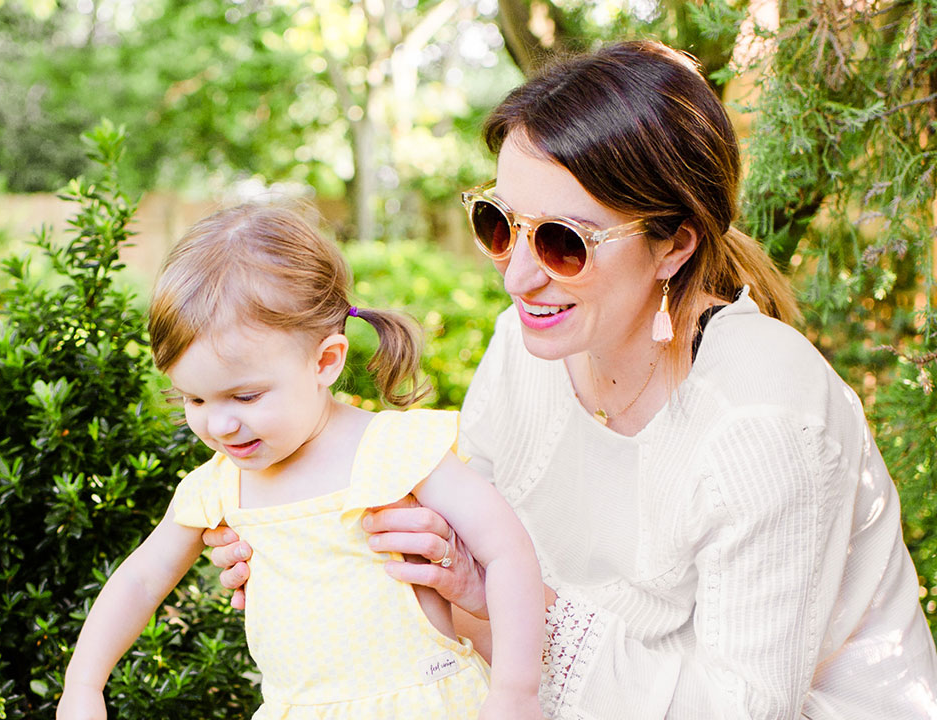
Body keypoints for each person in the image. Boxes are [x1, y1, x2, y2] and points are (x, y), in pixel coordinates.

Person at [205, 40, 937, 718]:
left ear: (674, 244)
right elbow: (469, 598)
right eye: (500, 224)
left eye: (563, 242)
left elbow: (739, 709)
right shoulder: (524, 353)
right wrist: (309, 545)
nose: (518, 276)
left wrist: (516, 600)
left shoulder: (765, 422)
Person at [55, 202, 547, 720]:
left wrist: (515, 693)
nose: (218, 425)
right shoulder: (217, 488)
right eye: (194, 400)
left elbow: (508, 552)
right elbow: (139, 580)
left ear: (325, 361)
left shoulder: (394, 452)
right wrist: (84, 684)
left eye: (245, 397)